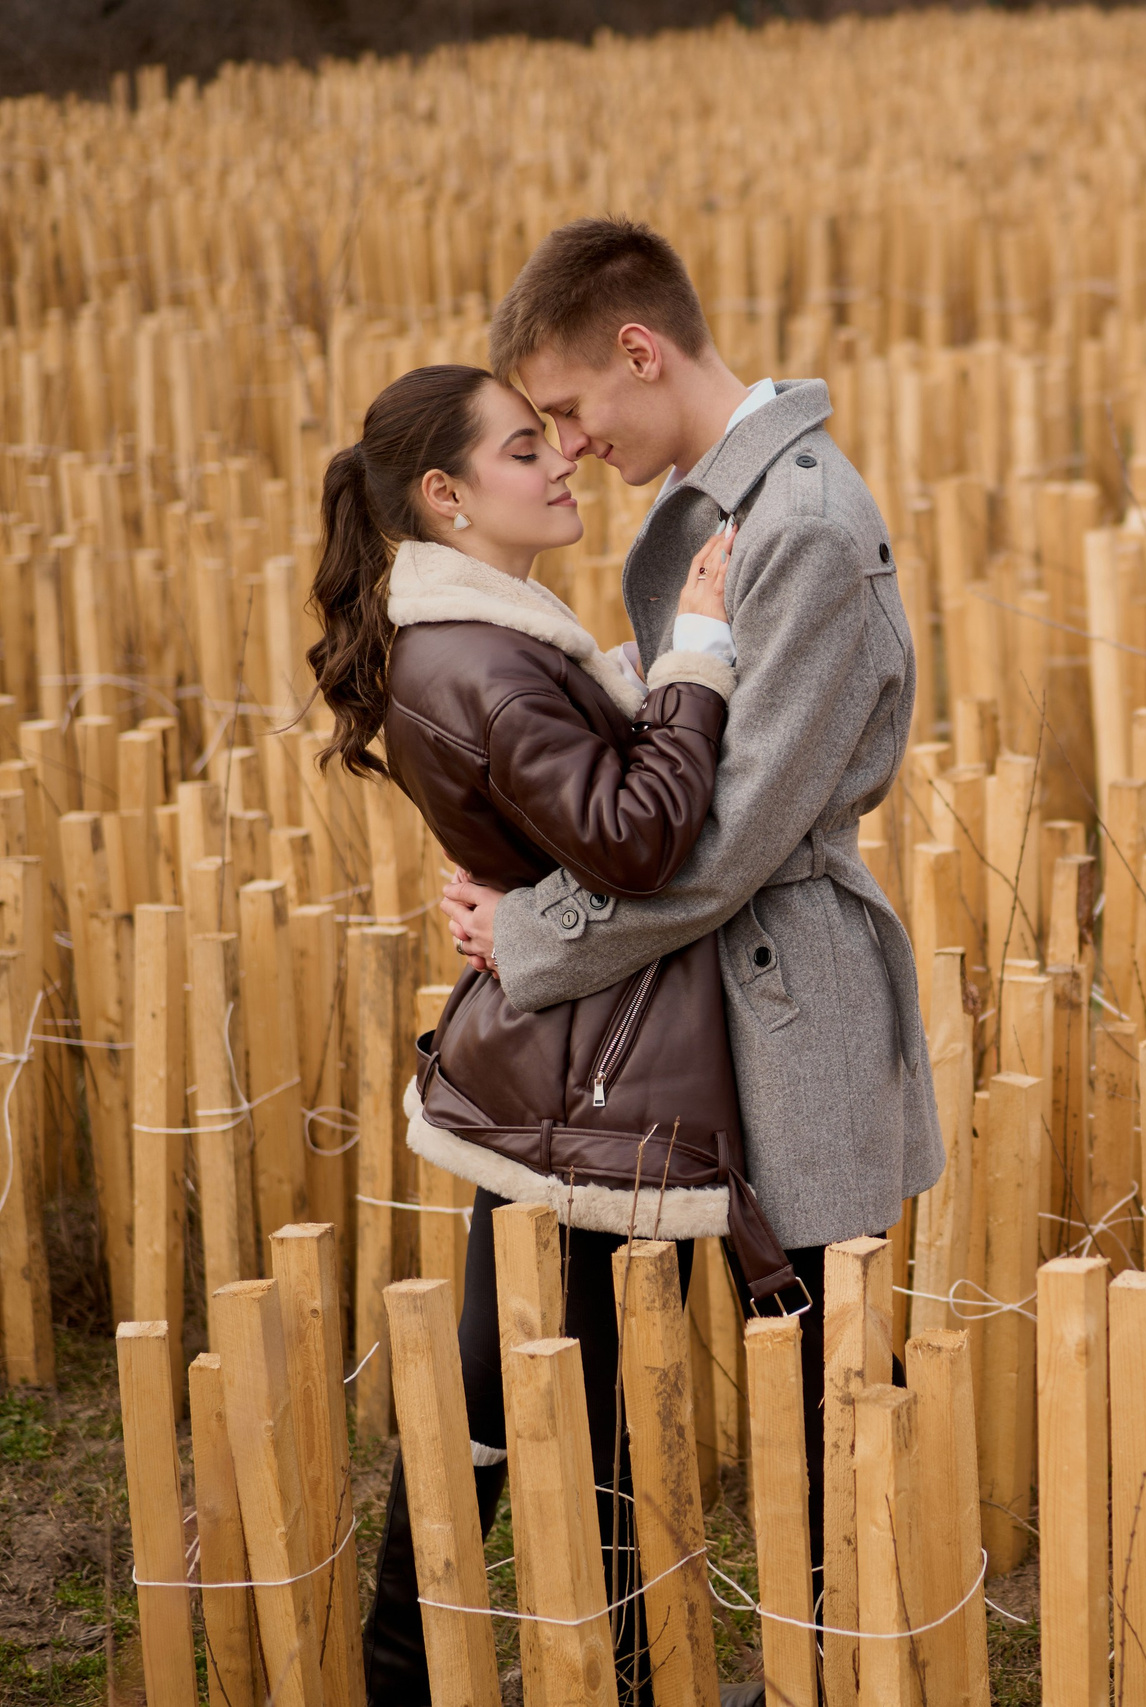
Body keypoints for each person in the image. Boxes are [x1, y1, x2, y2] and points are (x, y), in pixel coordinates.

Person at [441, 216, 945, 1684]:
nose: (574, 445)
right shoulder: (733, 504)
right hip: (688, 1004)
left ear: (642, 352)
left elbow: (718, 847)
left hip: (786, 1002)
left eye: (577, 408)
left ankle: (860, 1669)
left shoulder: (800, 523)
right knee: (664, 1356)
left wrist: (529, 936)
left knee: (822, 1376)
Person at [309, 362, 756, 1702]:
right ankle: (536, 1679)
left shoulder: (485, 637)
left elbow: (564, 803)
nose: (562, 457)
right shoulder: (484, 659)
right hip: (597, 1080)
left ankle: (480, 1674)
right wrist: (696, 658)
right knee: (572, 1405)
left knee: (525, 1393)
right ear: (445, 497)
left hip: (570, 1063)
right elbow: (634, 835)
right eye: (523, 448)